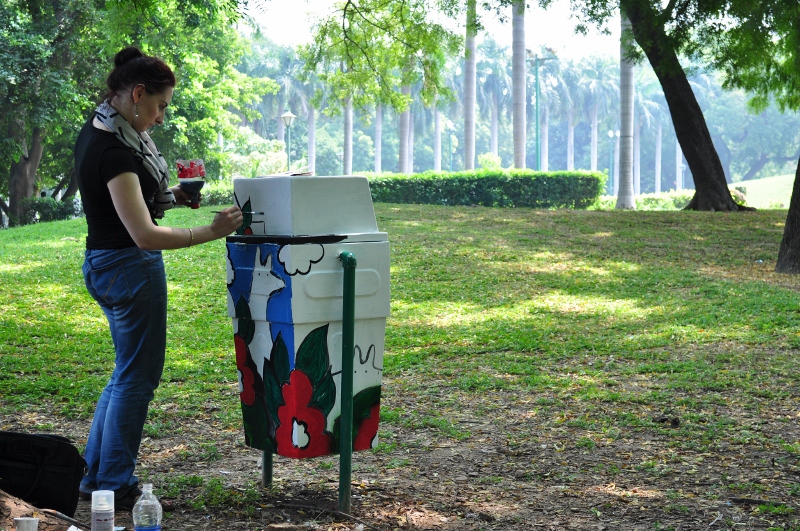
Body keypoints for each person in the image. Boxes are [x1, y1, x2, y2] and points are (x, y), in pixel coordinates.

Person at [74, 46, 243, 510]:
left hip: (104, 265)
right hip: (129, 268)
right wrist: (210, 230)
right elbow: (144, 235)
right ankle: (114, 483)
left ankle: (94, 479)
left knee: (124, 375)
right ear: (137, 93)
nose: (162, 117)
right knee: (136, 379)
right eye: (161, 105)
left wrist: (170, 195)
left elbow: (125, 202)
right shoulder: (116, 151)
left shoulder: (100, 130)